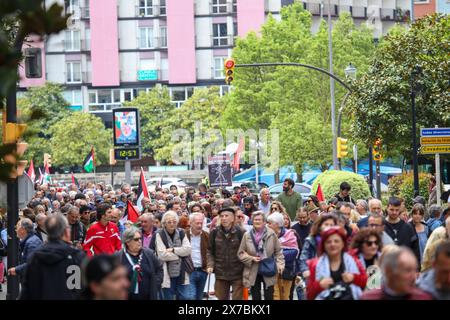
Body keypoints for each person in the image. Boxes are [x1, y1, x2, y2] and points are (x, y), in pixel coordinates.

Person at [20, 214, 86, 300]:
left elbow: (28, 290)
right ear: (66, 231)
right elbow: (81, 289)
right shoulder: (76, 256)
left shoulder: (35, 257)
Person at [306, 226, 367, 300]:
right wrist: (319, 285)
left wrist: (354, 278)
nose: (332, 244)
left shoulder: (354, 260)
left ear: (343, 244)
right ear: (324, 245)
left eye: (336, 241)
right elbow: (309, 295)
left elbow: (365, 282)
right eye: (328, 242)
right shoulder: (315, 264)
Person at [238, 211, 284, 300]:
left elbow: (278, 251)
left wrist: (280, 264)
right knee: (255, 296)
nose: (257, 222)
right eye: (255, 220)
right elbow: (240, 253)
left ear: (264, 222)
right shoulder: (247, 235)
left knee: (269, 296)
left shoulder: (271, 234)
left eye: (259, 220)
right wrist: (251, 258)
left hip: (268, 267)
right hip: (253, 269)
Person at [361, 247, 432, 300]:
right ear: (389, 270)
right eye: (407, 270)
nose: (413, 276)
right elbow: (371, 288)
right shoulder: (370, 297)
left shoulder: (422, 297)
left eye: (415, 270)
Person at [207, 207, 245, 300]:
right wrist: (210, 265)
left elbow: (245, 251)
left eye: (226, 216)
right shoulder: (215, 232)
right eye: (222, 216)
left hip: (238, 272)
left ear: (233, 218)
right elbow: (210, 251)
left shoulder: (241, 232)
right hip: (221, 273)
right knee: (220, 298)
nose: (224, 218)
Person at [154, 211, 192, 300]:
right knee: (168, 297)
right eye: (169, 222)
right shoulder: (159, 234)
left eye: (174, 222)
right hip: (166, 271)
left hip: (182, 270)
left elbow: (188, 249)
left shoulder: (181, 232)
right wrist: (180, 255)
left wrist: (173, 250)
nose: (172, 224)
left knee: (185, 297)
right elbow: (162, 255)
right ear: (164, 223)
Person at [118, 226, 163, 300]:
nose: (139, 241)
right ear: (128, 242)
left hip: (148, 296)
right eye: (136, 239)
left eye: (140, 238)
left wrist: (155, 284)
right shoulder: (118, 257)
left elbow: (159, 268)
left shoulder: (149, 254)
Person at [267, 212, 298, 300]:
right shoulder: (267, 235)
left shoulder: (289, 234)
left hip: (287, 270)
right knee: (275, 296)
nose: (267, 225)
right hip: (272, 271)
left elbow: (294, 252)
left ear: (277, 224)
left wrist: (277, 254)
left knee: (285, 296)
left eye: (269, 223)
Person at [299, 214, 338, 280]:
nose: (329, 227)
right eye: (326, 224)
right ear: (320, 226)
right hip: (315, 274)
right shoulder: (311, 240)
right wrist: (305, 270)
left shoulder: (338, 241)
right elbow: (304, 257)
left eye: (331, 225)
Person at [384, 197, 420, 262]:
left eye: (397, 210)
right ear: (387, 209)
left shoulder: (408, 227)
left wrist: (416, 269)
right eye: (391, 210)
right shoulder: (381, 226)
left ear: (400, 209)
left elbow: (415, 249)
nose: (394, 212)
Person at [186, 212, 209, 300]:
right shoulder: (184, 235)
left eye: (201, 223)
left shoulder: (207, 236)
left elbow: (211, 253)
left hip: (203, 271)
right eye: (197, 223)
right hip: (190, 271)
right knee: (191, 296)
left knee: (199, 297)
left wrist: (209, 266)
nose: (199, 225)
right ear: (190, 223)